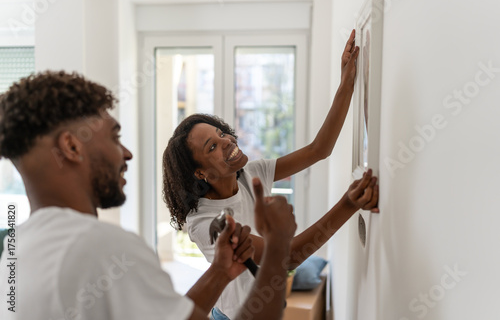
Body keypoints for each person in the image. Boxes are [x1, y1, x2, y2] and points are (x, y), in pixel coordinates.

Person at [0, 71, 297, 320]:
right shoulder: (101, 248)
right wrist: (278, 245)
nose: (126, 153)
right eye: (115, 137)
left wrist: (220, 272)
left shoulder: (17, 249)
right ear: (72, 147)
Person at [162, 30, 380, 319]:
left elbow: (319, 149)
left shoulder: (249, 174)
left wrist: (346, 85)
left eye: (221, 132)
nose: (227, 140)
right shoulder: (204, 222)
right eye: (212, 146)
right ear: (200, 172)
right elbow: (288, 256)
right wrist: (348, 205)